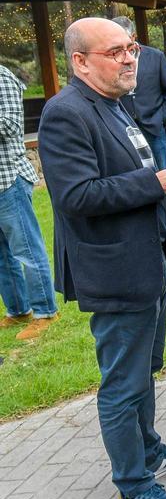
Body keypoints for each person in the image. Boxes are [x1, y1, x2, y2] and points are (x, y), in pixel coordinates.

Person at [38, 17, 166, 499]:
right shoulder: (65, 112)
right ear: (80, 62)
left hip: (146, 259)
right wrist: (155, 183)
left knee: (143, 369)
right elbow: (75, 196)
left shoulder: (116, 104)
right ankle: (134, 488)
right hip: (113, 270)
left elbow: (130, 177)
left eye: (130, 48)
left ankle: (149, 450)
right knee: (122, 382)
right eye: (115, 52)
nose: (130, 58)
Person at [0, 64, 59, 341]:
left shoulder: (3, 76)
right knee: (3, 255)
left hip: (9, 178)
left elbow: (11, 124)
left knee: (27, 249)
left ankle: (45, 311)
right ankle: (18, 310)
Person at [111, 16, 166, 175]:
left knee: (162, 173)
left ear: (133, 37)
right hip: (124, 129)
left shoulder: (156, 56)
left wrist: (160, 120)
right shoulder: (112, 60)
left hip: (154, 128)